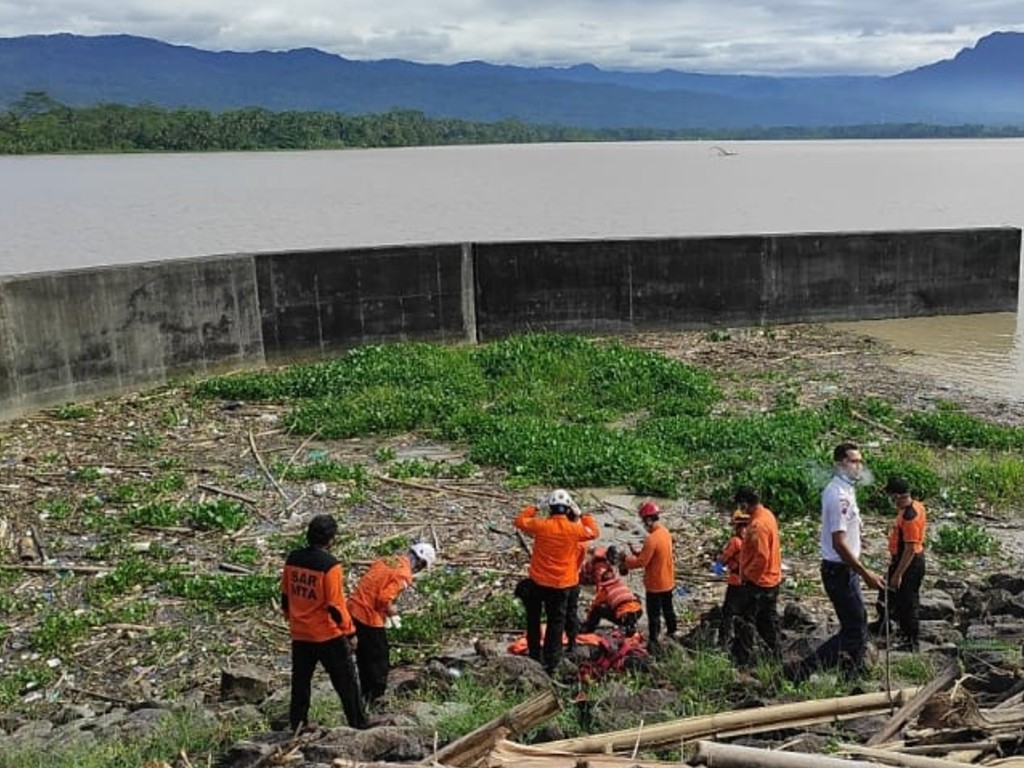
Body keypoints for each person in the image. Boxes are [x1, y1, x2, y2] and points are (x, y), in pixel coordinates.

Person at [788, 443, 885, 682]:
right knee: (854, 629)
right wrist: (865, 574)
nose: (858, 466)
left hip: (846, 569)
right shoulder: (837, 495)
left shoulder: (848, 490)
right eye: (854, 462)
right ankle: (804, 669)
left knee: (858, 623)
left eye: (860, 461)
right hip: (839, 571)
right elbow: (839, 543)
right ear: (840, 464)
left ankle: (851, 673)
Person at [281, 514, 367, 731]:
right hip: (326, 634)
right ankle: (358, 723)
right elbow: (336, 605)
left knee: (300, 682)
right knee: (346, 681)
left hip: (300, 633)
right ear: (331, 539)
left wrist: (291, 619)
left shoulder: (293, 558)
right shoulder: (330, 566)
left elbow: (286, 595)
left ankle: (297, 724)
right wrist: (350, 633)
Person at [514, 489, 600, 674]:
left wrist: (535, 506)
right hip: (562, 584)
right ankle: (552, 661)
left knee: (533, 618)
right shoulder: (574, 530)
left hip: (538, 582)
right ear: (568, 509)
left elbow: (520, 521)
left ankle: (535, 653)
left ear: (551, 509)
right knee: (556, 622)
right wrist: (582, 514)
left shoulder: (542, 525)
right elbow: (593, 532)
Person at [348, 541, 436, 705]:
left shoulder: (386, 561)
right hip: (368, 616)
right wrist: (391, 611)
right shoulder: (403, 574)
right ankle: (375, 699)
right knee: (379, 660)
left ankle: (364, 696)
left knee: (363, 657)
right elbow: (383, 598)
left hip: (353, 609)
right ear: (421, 563)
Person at [870, 476, 927, 651]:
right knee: (887, 593)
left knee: (908, 601)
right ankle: (887, 625)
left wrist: (898, 574)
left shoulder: (911, 516)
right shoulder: (912, 507)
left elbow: (910, 549)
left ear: (898, 496)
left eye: (891, 496)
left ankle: (911, 641)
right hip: (902, 559)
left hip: (909, 563)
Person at [735, 486, 782, 664]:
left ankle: (743, 659)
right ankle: (774, 655)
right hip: (771, 578)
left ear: (746, 504)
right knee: (768, 621)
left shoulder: (757, 525)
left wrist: (747, 575)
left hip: (759, 582)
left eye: (741, 505)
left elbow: (761, 556)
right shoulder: (767, 515)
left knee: (746, 620)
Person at [623, 501, 677, 654]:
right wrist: (637, 552)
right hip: (668, 580)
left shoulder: (651, 539)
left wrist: (626, 561)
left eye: (643, 521)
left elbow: (642, 562)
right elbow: (654, 555)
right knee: (668, 609)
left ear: (648, 519)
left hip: (655, 583)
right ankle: (672, 631)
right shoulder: (665, 533)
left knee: (654, 614)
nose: (643, 524)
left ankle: (653, 640)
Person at [715, 508, 749, 650]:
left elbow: (724, 558)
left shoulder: (735, 541)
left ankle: (724, 642)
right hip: (749, 582)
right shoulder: (752, 539)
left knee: (728, 612)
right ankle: (743, 640)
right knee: (745, 613)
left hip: (736, 581)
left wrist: (718, 563)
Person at [582, 565, 644, 635]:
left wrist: (588, 619)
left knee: (598, 610)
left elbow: (595, 605)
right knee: (625, 603)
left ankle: (589, 629)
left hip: (624, 615)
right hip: (638, 611)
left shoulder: (605, 590)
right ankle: (631, 624)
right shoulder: (621, 584)